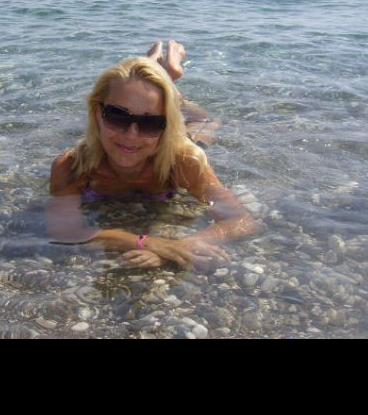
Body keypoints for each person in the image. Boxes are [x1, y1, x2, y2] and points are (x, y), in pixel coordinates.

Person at [47, 41, 256, 272]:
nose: (131, 135)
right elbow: (65, 231)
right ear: (97, 114)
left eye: (151, 123)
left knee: (203, 126)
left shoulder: (185, 162)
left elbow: (241, 220)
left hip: (178, 141)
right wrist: (148, 243)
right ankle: (162, 73)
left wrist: (181, 246)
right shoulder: (71, 166)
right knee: (151, 101)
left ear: (167, 126)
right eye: (118, 116)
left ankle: (169, 73)